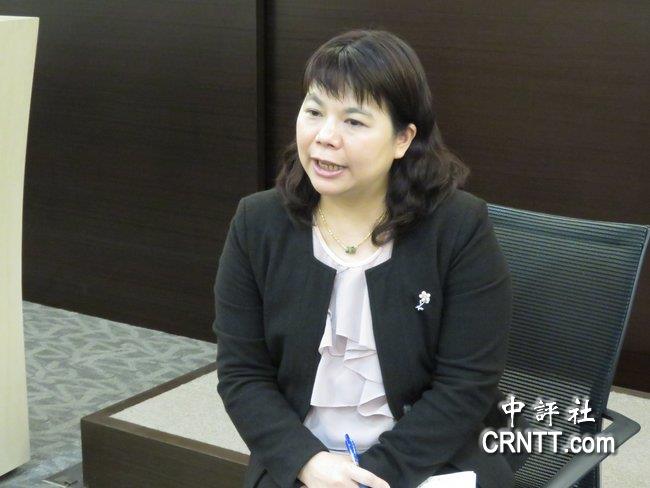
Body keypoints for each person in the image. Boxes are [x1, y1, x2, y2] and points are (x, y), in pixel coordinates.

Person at [213, 29, 527, 488]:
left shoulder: (458, 226)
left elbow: (467, 384)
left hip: (429, 459)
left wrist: (371, 478)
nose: (325, 137)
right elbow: (242, 374)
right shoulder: (257, 223)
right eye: (314, 112)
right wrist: (308, 463)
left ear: (403, 139)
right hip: (303, 461)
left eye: (354, 122)